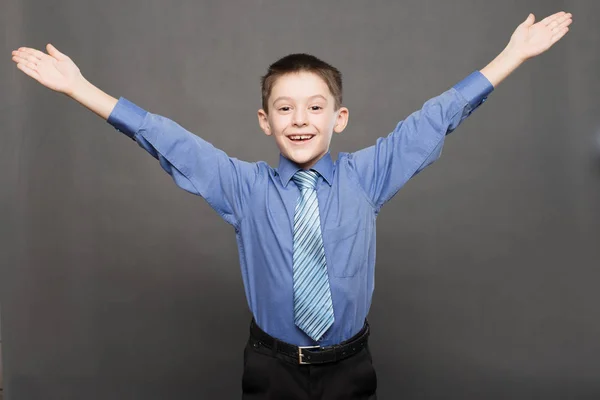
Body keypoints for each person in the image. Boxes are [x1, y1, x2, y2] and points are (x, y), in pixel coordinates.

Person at [11, 10, 572, 400]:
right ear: (265, 122)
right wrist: (81, 90)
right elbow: (164, 136)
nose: (300, 120)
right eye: (285, 108)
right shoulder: (242, 187)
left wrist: (511, 55)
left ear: (339, 118)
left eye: (314, 107)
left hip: (351, 367)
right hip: (271, 370)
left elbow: (439, 115)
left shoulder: (369, 174)